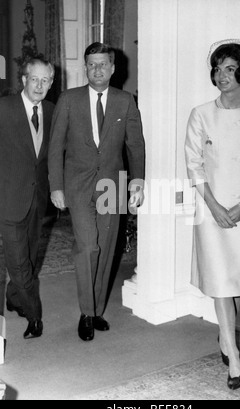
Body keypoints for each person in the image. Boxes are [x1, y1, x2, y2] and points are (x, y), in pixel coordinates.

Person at [185, 39, 240, 390]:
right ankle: (233, 353)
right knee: (221, 280)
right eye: (218, 68)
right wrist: (216, 207)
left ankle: (225, 336)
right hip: (210, 209)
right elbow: (194, 165)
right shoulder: (201, 114)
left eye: (230, 68)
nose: (222, 75)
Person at [48, 43, 145, 342]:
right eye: (92, 64)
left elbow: (135, 145)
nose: (97, 69)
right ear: (86, 67)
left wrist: (137, 182)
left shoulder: (126, 101)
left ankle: (98, 309)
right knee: (88, 246)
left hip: (111, 185)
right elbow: (55, 147)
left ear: (113, 68)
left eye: (103, 64)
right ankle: (86, 312)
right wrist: (56, 186)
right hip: (77, 185)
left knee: (107, 247)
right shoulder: (68, 100)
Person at [0, 58, 55, 338]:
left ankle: (13, 297)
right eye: (34, 79)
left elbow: (51, 158)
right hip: (8, 199)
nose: (39, 85)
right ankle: (34, 317)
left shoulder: (51, 110)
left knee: (30, 257)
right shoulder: (4, 108)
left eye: (45, 80)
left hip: (37, 200)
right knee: (19, 261)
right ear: (23, 80)